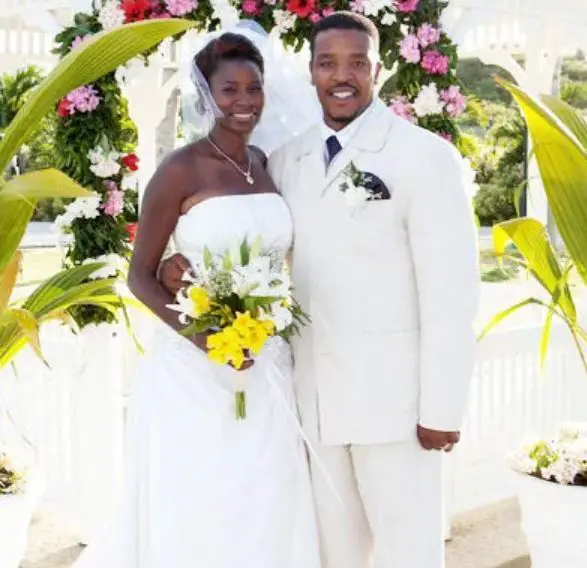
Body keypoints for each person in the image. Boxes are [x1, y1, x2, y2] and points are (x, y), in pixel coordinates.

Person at [160, 12, 480, 568]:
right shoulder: (286, 159)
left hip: (396, 410)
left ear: (378, 70)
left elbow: (451, 293)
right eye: (328, 62)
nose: (342, 75)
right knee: (332, 557)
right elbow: (247, 233)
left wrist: (442, 408)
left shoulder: (425, 157)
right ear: (309, 72)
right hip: (311, 408)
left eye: (357, 62)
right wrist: (175, 266)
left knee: (410, 554)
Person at [71, 32, 321, 568]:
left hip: (266, 361)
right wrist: (204, 337)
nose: (244, 101)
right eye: (229, 89)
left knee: (265, 490)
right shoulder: (180, 169)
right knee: (202, 493)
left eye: (254, 88)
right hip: (194, 368)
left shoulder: (267, 164)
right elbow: (141, 276)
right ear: (206, 94)